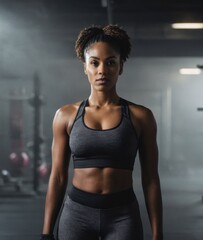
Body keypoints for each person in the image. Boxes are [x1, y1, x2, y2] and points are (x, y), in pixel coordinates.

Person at [41, 25, 163, 240]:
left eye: (111, 63)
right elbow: (58, 176)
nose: (102, 70)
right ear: (85, 67)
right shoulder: (65, 115)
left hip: (123, 216)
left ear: (121, 67)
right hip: (76, 215)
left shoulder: (141, 116)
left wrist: (157, 234)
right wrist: (46, 232)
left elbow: (151, 178)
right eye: (94, 63)